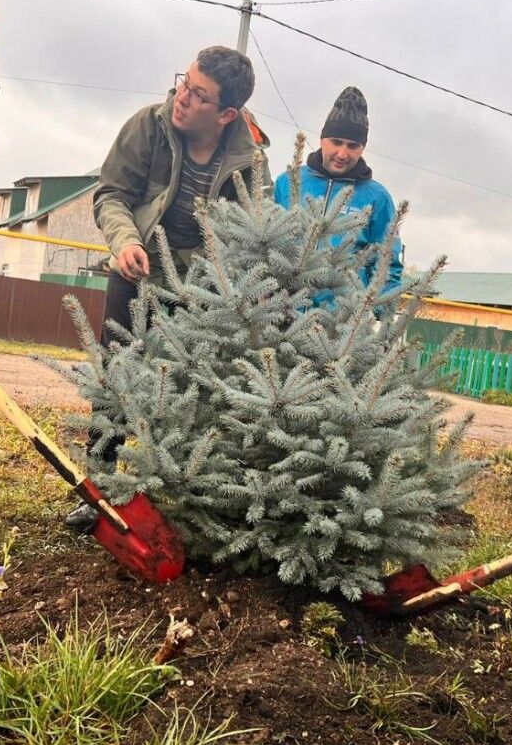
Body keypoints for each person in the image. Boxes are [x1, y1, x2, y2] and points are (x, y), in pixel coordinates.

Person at [64, 46, 269, 533]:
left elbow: (253, 235)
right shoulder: (147, 126)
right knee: (115, 379)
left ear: (226, 115)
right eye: (184, 82)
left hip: (200, 294)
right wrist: (125, 240)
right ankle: (97, 491)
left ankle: (174, 497)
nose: (182, 97)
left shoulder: (248, 161)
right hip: (136, 271)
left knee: (185, 391)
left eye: (198, 96)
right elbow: (111, 193)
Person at [271, 87, 404, 302]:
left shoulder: (377, 198)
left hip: (339, 326)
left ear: (363, 147)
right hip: (280, 317)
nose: (343, 154)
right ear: (322, 139)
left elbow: (386, 268)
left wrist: (367, 313)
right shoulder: (288, 182)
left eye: (353, 146)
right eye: (336, 142)